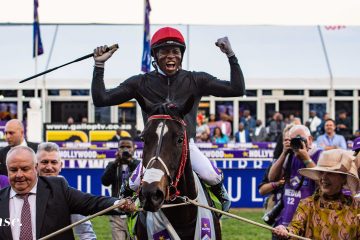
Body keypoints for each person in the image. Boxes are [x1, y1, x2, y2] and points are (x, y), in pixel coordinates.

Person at [91, 26, 246, 211]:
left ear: (181, 54)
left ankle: (219, 205)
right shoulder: (139, 82)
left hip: (185, 145)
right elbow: (101, 99)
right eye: (164, 51)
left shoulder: (196, 80)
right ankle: (128, 208)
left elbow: (237, 89)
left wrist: (231, 56)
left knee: (211, 176)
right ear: (155, 56)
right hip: (154, 150)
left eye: (175, 51)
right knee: (132, 185)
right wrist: (99, 66)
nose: (171, 55)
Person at [0, 146, 134, 240]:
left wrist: (118, 204)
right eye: (13, 170)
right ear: (7, 170)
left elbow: (91, 202)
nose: (19, 175)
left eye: (24, 169)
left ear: (35, 168)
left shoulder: (57, 188)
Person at [273, 149, 360, 239]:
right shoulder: (307, 204)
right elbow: (295, 228)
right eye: (321, 172)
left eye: (330, 173)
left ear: (343, 179)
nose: (323, 177)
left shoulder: (356, 206)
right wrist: (286, 231)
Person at [36, 142, 97, 240]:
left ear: (60, 166)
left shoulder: (70, 196)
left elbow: (86, 234)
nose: (49, 167)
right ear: (36, 165)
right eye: (44, 162)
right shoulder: (25, 191)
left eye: (54, 162)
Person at [268, 125, 322, 228]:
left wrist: (306, 158)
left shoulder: (320, 155)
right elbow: (272, 178)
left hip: (309, 223)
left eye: (300, 138)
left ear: (310, 139)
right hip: (286, 222)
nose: (297, 142)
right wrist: (284, 153)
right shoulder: (289, 156)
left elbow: (322, 183)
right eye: (293, 140)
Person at [101, 137, 141, 240]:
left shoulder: (138, 165)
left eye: (128, 147)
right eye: (122, 147)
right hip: (117, 210)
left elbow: (140, 178)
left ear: (134, 149)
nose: (125, 149)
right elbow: (105, 181)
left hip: (134, 211)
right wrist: (115, 163)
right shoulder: (113, 165)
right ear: (118, 149)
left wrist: (130, 161)